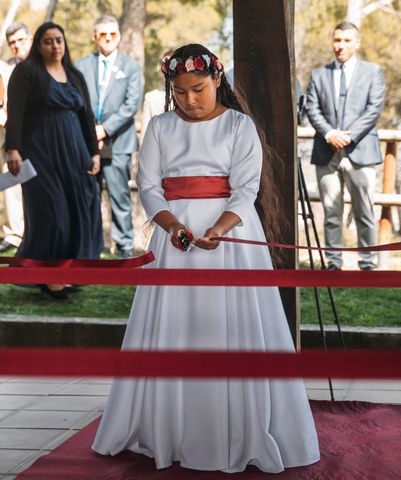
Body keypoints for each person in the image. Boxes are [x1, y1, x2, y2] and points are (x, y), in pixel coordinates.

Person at [92, 43, 320, 473]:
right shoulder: (160, 126)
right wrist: (173, 226)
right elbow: (151, 187)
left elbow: (246, 189)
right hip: (175, 239)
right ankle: (168, 429)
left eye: (198, 89)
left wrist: (219, 228)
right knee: (175, 328)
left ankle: (241, 426)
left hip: (230, 237)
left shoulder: (239, 126)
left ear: (217, 80)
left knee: (232, 326)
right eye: (179, 93)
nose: (189, 100)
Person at [4, 22, 103, 300]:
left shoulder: (75, 75)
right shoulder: (26, 72)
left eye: (59, 40)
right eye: (48, 41)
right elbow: (16, 113)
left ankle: (68, 271)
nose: (55, 46)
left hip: (75, 154)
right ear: (38, 45)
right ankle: (49, 275)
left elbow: (87, 117)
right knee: (52, 212)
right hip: (40, 154)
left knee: (76, 211)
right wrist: (12, 149)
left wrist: (94, 152)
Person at [305, 21, 385, 270]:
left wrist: (349, 136)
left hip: (360, 151)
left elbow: (374, 108)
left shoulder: (373, 72)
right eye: (337, 40)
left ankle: (368, 263)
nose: (341, 45)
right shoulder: (319, 74)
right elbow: (311, 107)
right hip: (326, 151)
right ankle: (333, 263)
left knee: (365, 211)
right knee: (331, 210)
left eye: (347, 40)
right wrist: (329, 134)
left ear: (357, 43)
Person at [75, 15, 142, 259]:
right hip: (86, 143)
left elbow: (132, 103)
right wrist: (90, 132)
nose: (107, 38)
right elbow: (76, 100)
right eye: (102, 34)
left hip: (119, 141)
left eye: (112, 34)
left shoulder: (131, 66)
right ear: (94, 37)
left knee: (119, 198)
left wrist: (104, 130)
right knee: (88, 197)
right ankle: (91, 248)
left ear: (119, 36)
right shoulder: (81, 65)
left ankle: (124, 249)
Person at [0, 22, 31, 253]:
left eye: (21, 40)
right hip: (10, 139)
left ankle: (35, 234)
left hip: (38, 139)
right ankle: (14, 235)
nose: (17, 45)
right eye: (12, 42)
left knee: (38, 187)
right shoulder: (3, 67)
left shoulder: (42, 65)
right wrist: (4, 118)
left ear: (30, 39)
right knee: (12, 189)